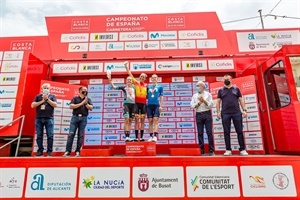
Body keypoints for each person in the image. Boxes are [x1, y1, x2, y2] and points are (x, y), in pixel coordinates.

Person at [216, 74, 249, 156]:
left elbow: (241, 100)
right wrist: (218, 112)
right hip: (225, 113)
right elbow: (218, 102)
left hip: (236, 113)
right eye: (224, 79)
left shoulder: (236, 89)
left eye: (227, 79)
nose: (226, 80)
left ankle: (242, 149)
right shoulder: (220, 90)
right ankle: (228, 149)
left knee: (239, 131)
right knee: (226, 132)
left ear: (231, 80)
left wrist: (244, 110)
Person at [63, 86, 93, 157]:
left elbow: (91, 108)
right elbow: (71, 106)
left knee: (80, 135)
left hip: (83, 118)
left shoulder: (88, 99)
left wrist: (86, 103)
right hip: (75, 118)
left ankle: (78, 151)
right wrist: (81, 103)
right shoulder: (75, 98)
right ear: (80, 91)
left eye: (86, 90)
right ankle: (68, 151)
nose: (85, 91)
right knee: (71, 134)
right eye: (84, 90)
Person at [107, 72, 135, 142]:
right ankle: (126, 137)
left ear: (132, 81)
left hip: (133, 105)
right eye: (128, 80)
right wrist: (110, 79)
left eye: (130, 80)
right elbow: (113, 87)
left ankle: (129, 136)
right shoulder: (124, 87)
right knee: (126, 120)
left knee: (130, 121)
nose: (129, 81)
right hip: (126, 105)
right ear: (126, 81)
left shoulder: (135, 88)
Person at [31, 83, 57, 157]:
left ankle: (49, 152)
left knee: (50, 135)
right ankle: (40, 151)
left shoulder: (52, 96)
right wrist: (42, 101)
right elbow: (32, 105)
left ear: (49, 89)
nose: (46, 89)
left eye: (47, 88)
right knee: (39, 135)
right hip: (39, 118)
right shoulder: (38, 96)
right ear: (42, 89)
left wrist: (47, 99)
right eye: (44, 88)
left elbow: (55, 105)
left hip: (49, 118)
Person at [124, 61, 147, 142]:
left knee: (143, 121)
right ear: (139, 77)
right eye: (141, 76)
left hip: (143, 104)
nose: (142, 78)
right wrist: (126, 66)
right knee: (137, 121)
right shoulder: (136, 83)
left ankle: (142, 137)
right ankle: (137, 137)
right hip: (136, 104)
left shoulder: (146, 86)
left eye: (143, 77)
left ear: (145, 78)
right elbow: (130, 74)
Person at [190, 81, 214, 156]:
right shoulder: (194, 96)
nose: (197, 87)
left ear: (203, 86)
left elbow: (210, 105)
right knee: (200, 133)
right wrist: (199, 103)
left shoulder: (208, 94)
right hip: (198, 115)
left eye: (198, 85)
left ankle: (211, 150)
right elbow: (192, 105)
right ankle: (201, 149)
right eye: (196, 86)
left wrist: (204, 101)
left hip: (207, 114)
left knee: (209, 132)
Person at [147, 74, 163, 142]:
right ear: (151, 79)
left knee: (156, 120)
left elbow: (161, 97)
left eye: (155, 78)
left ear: (157, 79)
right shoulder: (148, 87)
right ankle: (151, 136)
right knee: (150, 121)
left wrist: (161, 106)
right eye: (152, 78)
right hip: (149, 105)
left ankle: (155, 136)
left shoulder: (160, 87)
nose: (153, 79)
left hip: (156, 105)